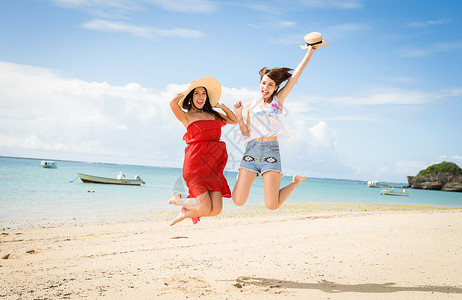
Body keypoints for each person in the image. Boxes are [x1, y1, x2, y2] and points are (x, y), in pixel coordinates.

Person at [232, 33, 327, 210]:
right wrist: (238, 114)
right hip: (251, 152)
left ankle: (296, 182)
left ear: (276, 87)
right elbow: (246, 133)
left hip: (271, 153)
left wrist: (310, 51)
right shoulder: (250, 104)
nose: (265, 88)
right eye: (263, 83)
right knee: (238, 200)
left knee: (272, 205)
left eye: (270, 85)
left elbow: (295, 77)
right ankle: (233, 178)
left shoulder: (278, 101)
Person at [169, 76, 237, 226]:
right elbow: (172, 102)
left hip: (213, 167)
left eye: (203, 93)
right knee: (205, 208)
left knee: (216, 210)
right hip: (195, 167)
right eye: (196, 93)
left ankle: (185, 211)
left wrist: (223, 107)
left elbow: (233, 120)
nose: (201, 97)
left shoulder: (213, 114)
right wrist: (186, 90)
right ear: (190, 96)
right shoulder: (186, 116)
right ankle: (180, 202)